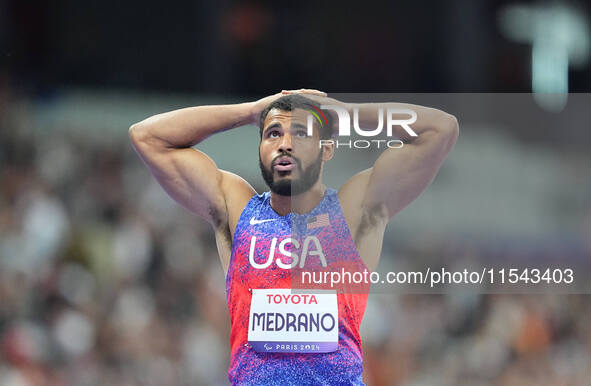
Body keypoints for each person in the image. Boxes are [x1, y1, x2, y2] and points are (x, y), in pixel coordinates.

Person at [129, 89, 459, 385]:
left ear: (326, 149)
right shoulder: (237, 207)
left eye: (301, 133)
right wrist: (249, 112)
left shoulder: (354, 209)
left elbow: (440, 129)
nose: (285, 143)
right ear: (260, 149)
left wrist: (344, 112)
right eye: (273, 133)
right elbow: (147, 136)